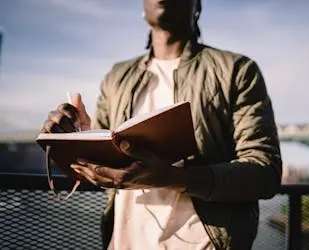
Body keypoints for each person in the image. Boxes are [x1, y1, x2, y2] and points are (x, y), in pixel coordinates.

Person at [41, 0, 282, 249]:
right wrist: (73, 140)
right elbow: (96, 173)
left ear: (196, 5)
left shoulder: (237, 71)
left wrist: (172, 177)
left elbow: (265, 172)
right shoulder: (117, 77)